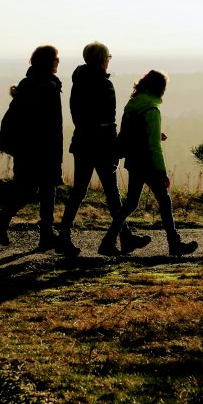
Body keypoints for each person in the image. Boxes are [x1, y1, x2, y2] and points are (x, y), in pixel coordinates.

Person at [56, 41, 151, 257]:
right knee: (112, 193)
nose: (109, 60)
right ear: (102, 60)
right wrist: (115, 148)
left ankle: (65, 237)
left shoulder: (78, 82)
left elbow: (77, 114)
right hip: (101, 145)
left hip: (82, 142)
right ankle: (121, 238)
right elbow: (109, 122)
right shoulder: (104, 85)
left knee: (79, 191)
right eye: (108, 57)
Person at [99, 70, 198, 257]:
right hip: (148, 163)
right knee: (164, 200)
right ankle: (174, 243)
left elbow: (130, 134)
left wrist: (154, 134)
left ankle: (108, 241)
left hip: (134, 160)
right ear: (159, 88)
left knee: (130, 203)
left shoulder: (132, 105)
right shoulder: (152, 111)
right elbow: (154, 147)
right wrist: (162, 172)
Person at [0, 45, 64, 250]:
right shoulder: (47, 86)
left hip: (27, 148)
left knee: (32, 189)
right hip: (41, 147)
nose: (58, 62)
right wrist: (55, 151)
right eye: (56, 58)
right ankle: (39, 232)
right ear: (48, 62)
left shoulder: (30, 84)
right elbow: (50, 124)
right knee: (41, 190)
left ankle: (6, 221)